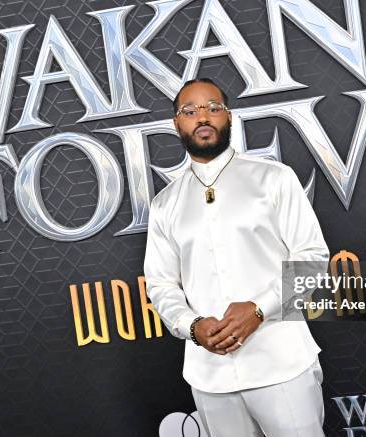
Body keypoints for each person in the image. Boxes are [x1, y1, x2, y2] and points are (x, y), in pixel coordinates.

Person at [144, 78, 329, 437]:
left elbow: (313, 259)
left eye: (213, 107)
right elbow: (161, 284)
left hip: (281, 363)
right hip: (209, 375)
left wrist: (259, 309)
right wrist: (192, 326)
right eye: (190, 110)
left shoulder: (272, 179)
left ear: (229, 117)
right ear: (176, 124)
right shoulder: (165, 204)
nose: (203, 116)